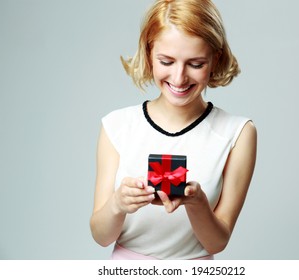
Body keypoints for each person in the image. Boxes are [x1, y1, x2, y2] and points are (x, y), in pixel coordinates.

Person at [90, 0, 257, 260]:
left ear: (216, 59)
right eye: (166, 61)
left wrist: (197, 203)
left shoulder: (238, 133)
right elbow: (101, 236)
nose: (179, 78)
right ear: (149, 55)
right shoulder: (117, 126)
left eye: (196, 64)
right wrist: (118, 204)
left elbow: (217, 243)